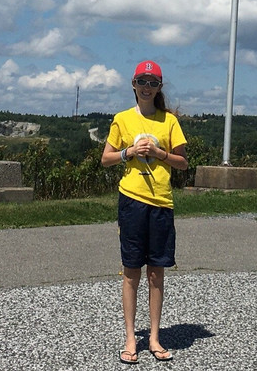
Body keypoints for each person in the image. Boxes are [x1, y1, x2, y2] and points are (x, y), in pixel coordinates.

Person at [101, 60, 189, 365]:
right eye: (142, 82)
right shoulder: (122, 119)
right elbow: (106, 158)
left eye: (153, 83)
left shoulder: (170, 122)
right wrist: (129, 152)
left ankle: (153, 336)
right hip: (132, 201)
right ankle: (130, 338)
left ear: (159, 87)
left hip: (161, 202)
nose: (147, 88)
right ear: (133, 85)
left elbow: (182, 162)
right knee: (131, 271)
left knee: (156, 272)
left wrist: (159, 153)